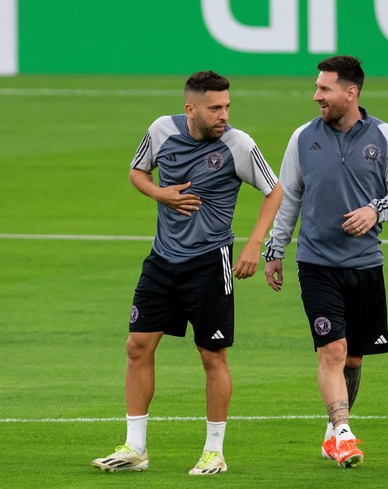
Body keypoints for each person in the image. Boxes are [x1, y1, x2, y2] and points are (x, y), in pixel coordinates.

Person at [91, 70, 282, 474]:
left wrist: (252, 244)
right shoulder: (161, 130)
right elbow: (137, 172)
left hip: (210, 262)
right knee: (137, 346)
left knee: (212, 356)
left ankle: (214, 451)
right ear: (190, 108)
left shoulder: (238, 144)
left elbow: (274, 190)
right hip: (162, 260)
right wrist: (159, 192)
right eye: (215, 108)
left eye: (227, 106)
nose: (224, 115)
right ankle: (135, 448)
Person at [263, 56, 388, 467]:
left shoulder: (385, 137)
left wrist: (374, 211)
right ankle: (345, 434)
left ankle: (333, 433)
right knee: (332, 351)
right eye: (317, 88)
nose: (316, 96)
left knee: (354, 358)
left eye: (324, 89)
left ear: (351, 92)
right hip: (316, 264)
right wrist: (275, 251)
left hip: (366, 265)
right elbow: (288, 196)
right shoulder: (302, 138)